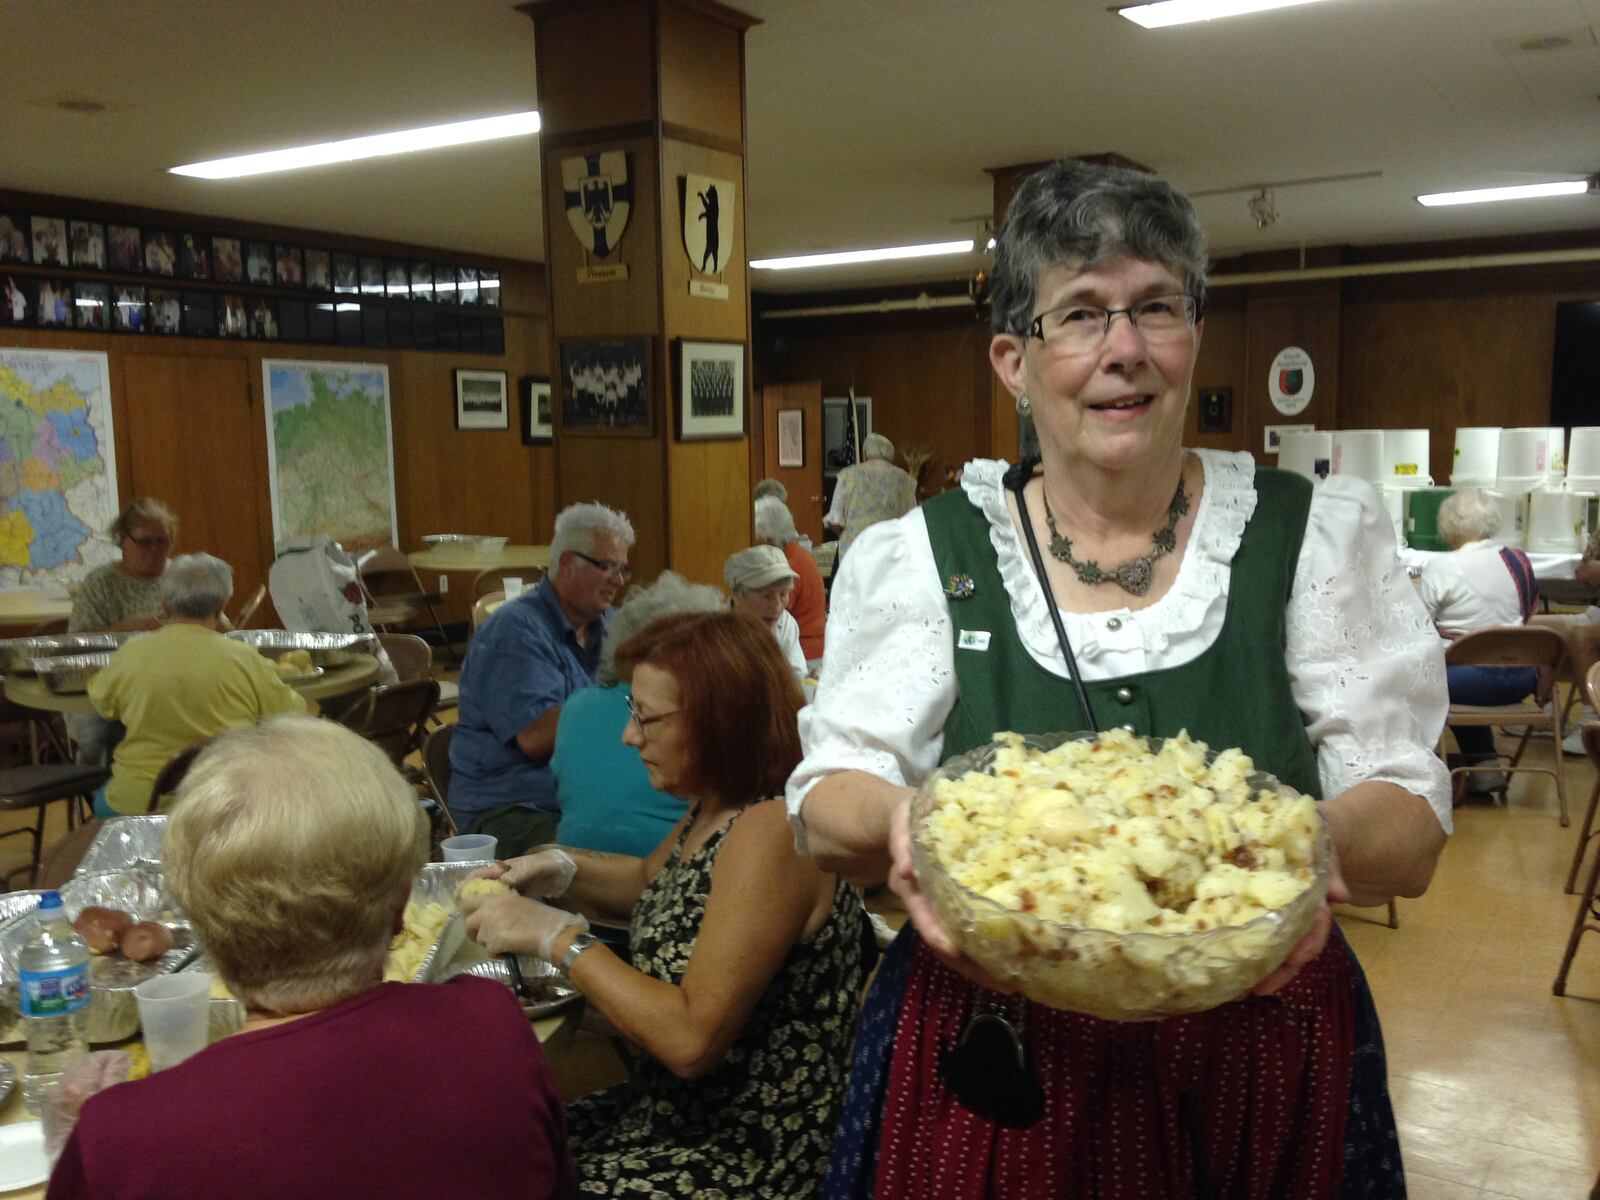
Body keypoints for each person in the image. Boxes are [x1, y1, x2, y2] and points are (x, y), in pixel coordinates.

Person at [787, 160, 1451, 1198]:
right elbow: (829, 804)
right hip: (1002, 1064)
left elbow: (1409, 829)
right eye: (1081, 316)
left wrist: (1298, 844)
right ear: (1012, 358)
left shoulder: (1313, 533)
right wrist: (910, 821)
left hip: (1255, 1054)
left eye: (1155, 308)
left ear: (1193, 332)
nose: (1125, 351)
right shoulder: (926, 555)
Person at [46, 715, 575, 1200]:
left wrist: (77, 1152)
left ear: (200, 922)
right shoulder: (491, 1022)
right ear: (399, 912)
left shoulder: (120, 1136)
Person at [461, 610, 866, 1199]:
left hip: (748, 1148)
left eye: (646, 719)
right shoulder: (719, 802)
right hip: (677, 1113)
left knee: (509, 1177)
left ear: (719, 722)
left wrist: (557, 938)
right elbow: (652, 881)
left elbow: (690, 1041)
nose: (630, 737)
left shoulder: (771, 829)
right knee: (491, 1148)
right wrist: (557, 867)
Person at [450, 502, 634, 850]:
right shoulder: (515, 631)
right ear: (567, 564)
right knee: (611, 857)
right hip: (509, 809)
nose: (618, 581)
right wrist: (624, 702)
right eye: (608, 566)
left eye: (623, 569)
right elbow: (535, 738)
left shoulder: (612, 624)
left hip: (578, 797)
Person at [87, 554, 305, 816]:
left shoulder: (131, 653)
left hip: (140, 805)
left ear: (165, 607)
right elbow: (292, 712)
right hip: (225, 801)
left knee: (104, 797)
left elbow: (102, 703)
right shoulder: (243, 657)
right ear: (221, 605)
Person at [553, 570, 724, 875]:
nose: (629, 736)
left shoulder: (576, 705)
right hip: (655, 887)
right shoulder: (693, 725)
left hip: (579, 887)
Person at [1417, 489, 1538, 792]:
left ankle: (1419, 772)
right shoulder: (1518, 561)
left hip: (1463, 681)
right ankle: (1484, 766)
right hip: (1523, 678)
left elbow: (1415, 625)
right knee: (1463, 666)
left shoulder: (1441, 566)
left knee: (1417, 676)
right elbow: (1529, 612)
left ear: (1448, 525)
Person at [69, 498, 176, 634]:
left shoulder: (183, 578)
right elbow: (77, 643)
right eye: (145, 542)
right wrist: (121, 630)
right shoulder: (100, 583)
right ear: (123, 540)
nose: (154, 549)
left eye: (162, 541)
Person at [756, 496, 826, 670]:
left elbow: (775, 615)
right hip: (815, 647)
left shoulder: (788, 565)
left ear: (769, 538)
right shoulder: (799, 554)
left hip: (805, 652)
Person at [824, 432, 917, 559]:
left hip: (855, 548)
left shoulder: (847, 475)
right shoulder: (904, 479)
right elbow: (912, 518)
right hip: (890, 549)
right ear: (890, 454)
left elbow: (835, 520)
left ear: (866, 453)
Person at [724, 545, 807, 682]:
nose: (777, 607)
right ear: (737, 594)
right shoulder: (715, 633)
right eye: (766, 596)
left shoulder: (785, 623)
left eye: (783, 594)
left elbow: (796, 680)